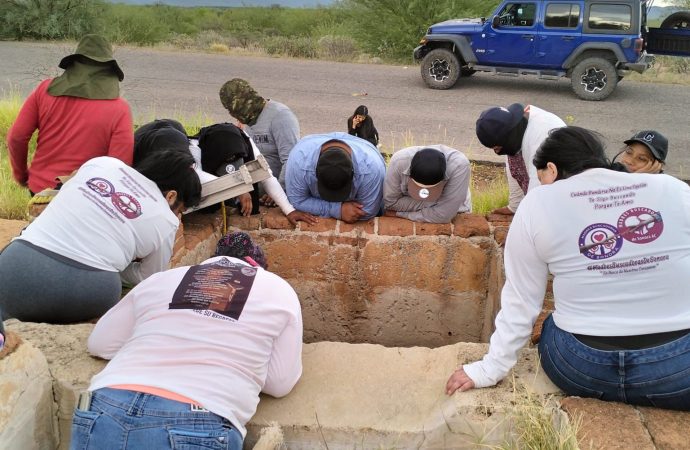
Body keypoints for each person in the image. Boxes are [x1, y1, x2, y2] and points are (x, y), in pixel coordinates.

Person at [446, 126, 690, 411]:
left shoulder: (538, 203)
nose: (544, 187)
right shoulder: (674, 189)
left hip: (581, 368)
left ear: (552, 168)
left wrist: (489, 370)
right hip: (679, 371)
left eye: (542, 179)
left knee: (551, 323)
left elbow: (522, 300)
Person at [69, 233, 302, 450]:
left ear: (211, 261)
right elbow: (280, 382)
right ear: (257, 266)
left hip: (105, 405)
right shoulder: (278, 289)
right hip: (199, 418)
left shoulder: (163, 278)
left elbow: (99, 344)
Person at [0, 150, 201, 351]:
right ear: (172, 196)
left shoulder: (102, 164)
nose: (177, 216)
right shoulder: (166, 219)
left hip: (17, 264)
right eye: (180, 210)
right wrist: (117, 265)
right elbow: (148, 277)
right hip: (87, 290)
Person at [7, 34, 133, 194]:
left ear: (74, 64)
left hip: (40, 190)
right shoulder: (120, 109)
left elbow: (16, 137)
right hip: (85, 198)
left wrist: (22, 176)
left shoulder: (44, 90)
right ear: (109, 71)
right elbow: (118, 167)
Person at [475, 103, 564, 215]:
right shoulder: (517, 130)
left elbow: (538, 190)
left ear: (508, 137)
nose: (497, 152)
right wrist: (514, 207)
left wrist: (526, 218)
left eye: (497, 147)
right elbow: (514, 169)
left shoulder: (542, 137)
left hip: (565, 198)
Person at [219, 78, 299, 193]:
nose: (235, 115)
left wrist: (280, 190)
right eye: (231, 111)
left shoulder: (280, 116)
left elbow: (291, 159)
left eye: (240, 110)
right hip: (252, 179)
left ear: (250, 98)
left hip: (274, 185)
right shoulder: (249, 118)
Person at [285, 132, 386, 223]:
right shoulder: (299, 162)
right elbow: (296, 201)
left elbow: (368, 212)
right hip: (312, 141)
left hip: (362, 146)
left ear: (354, 173)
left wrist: (315, 206)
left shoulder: (372, 168)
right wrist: (337, 210)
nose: (334, 199)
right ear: (314, 171)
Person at [383, 145, 471, 223]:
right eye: (417, 186)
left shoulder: (459, 166)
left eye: (431, 189)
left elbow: (443, 216)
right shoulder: (398, 162)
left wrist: (400, 214)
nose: (425, 194)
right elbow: (391, 203)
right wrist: (436, 204)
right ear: (410, 173)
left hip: (455, 209)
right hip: (443, 204)